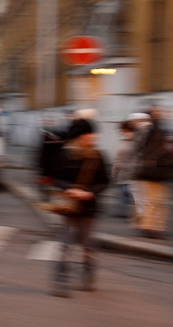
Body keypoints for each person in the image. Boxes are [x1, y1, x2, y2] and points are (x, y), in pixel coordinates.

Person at [50, 119, 109, 297]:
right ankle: (61, 282)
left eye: (93, 133)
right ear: (78, 136)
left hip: (89, 208)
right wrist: (68, 189)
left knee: (87, 246)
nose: (92, 137)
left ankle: (88, 275)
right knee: (66, 246)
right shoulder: (64, 155)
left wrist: (89, 192)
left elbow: (104, 181)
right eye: (88, 134)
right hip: (69, 208)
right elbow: (56, 178)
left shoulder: (97, 155)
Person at [129, 110, 170, 239]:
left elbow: (137, 152)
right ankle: (150, 227)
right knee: (153, 201)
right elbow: (144, 152)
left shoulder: (143, 131)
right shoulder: (153, 131)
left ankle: (144, 225)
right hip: (151, 172)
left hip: (146, 171)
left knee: (146, 200)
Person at [110, 118, 137, 218]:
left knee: (123, 191)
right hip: (135, 171)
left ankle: (122, 211)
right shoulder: (140, 139)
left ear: (124, 129)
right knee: (129, 192)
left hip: (125, 171)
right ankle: (129, 212)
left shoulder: (124, 140)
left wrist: (114, 172)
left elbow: (118, 159)